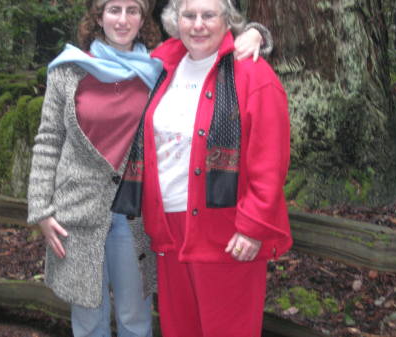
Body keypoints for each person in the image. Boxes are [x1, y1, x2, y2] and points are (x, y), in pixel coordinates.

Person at [27, 0, 272, 336]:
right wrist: (41, 208)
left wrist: (257, 33)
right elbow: (48, 140)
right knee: (87, 321)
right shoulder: (69, 70)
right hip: (77, 215)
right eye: (114, 9)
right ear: (98, 16)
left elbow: (210, 38)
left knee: (135, 319)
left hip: (137, 215)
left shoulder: (159, 65)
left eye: (133, 10)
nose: (123, 19)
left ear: (144, 19)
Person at [111, 0, 293, 336]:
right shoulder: (161, 66)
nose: (198, 25)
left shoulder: (252, 73)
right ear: (175, 21)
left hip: (226, 230)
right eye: (189, 16)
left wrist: (254, 224)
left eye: (209, 16)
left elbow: (271, 157)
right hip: (168, 228)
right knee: (181, 329)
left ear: (228, 22)